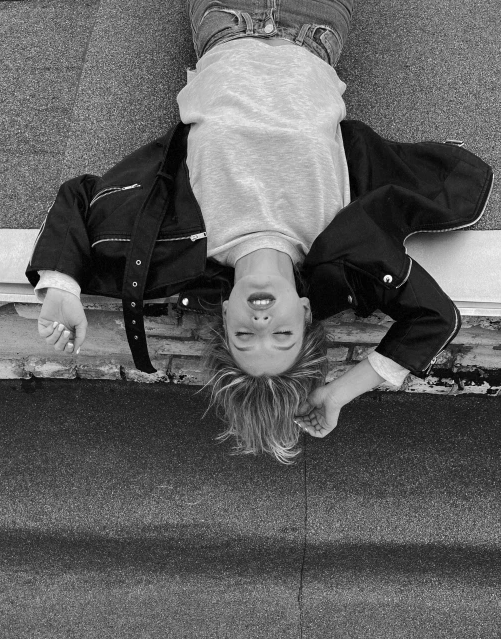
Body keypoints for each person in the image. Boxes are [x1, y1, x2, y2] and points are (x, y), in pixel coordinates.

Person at [26, 1, 493, 464]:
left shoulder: (173, 243)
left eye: (245, 339)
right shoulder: (346, 251)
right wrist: (339, 393)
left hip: (224, 21)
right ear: (306, 312)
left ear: (226, 314)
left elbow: (79, 196)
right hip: (317, 26)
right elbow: (436, 319)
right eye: (284, 335)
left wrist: (61, 285)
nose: (262, 325)